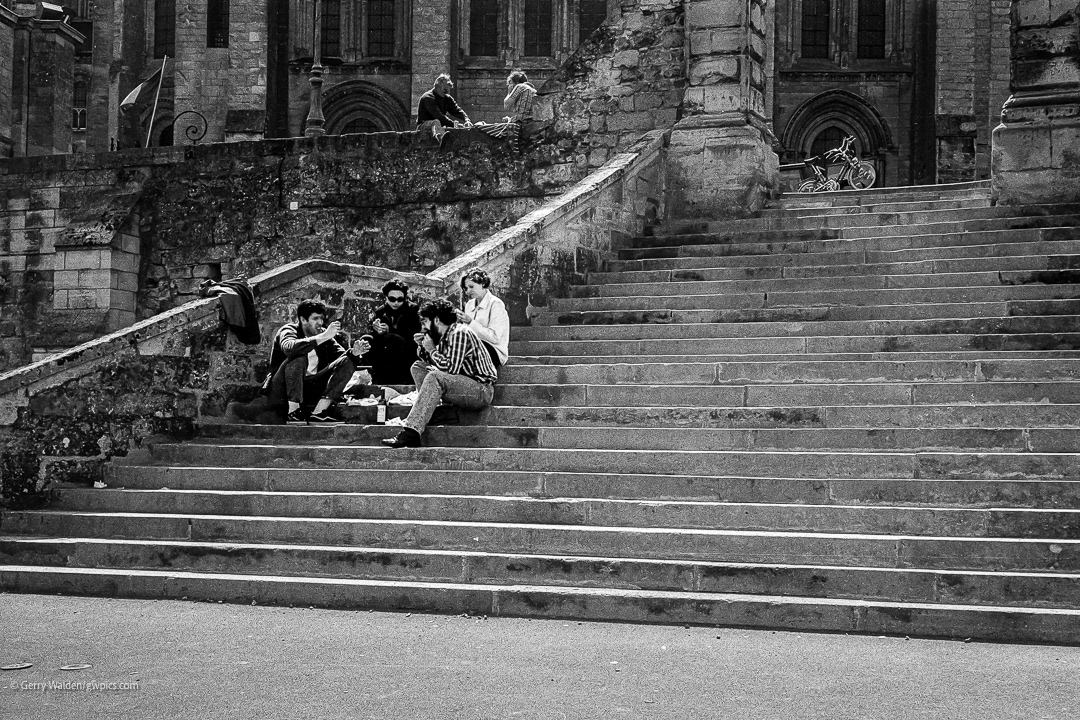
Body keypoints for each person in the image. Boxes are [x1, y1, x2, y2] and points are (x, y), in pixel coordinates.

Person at [382, 299, 498, 448]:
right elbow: (434, 363)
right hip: (460, 387)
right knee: (418, 367)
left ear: (436, 320)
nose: (423, 326)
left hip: (480, 391)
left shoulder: (459, 333)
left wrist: (431, 350)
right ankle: (438, 411)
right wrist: (423, 347)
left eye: (425, 322)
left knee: (434, 376)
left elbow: (450, 369)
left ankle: (411, 432)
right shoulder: (444, 337)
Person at [263, 299, 370, 425]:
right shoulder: (288, 330)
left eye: (322, 319)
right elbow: (289, 348)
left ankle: (319, 412)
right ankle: (293, 412)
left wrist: (354, 353)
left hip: (308, 388)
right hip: (281, 389)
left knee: (348, 360)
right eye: (315, 319)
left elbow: (341, 358)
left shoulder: (322, 334)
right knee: (299, 356)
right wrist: (323, 336)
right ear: (303, 320)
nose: (320, 323)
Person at [359, 280, 422, 385]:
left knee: (391, 338)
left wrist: (390, 331)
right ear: (386, 298)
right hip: (386, 350)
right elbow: (377, 339)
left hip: (407, 349)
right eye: (392, 299)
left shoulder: (412, 310)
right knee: (366, 340)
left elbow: (412, 334)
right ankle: (377, 374)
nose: (396, 303)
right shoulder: (380, 312)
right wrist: (377, 331)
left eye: (400, 299)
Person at [456, 268, 509, 368]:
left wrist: (471, 322)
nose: (468, 291)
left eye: (471, 286)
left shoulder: (495, 304)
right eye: (466, 288)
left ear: (483, 284)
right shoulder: (469, 305)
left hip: (494, 350)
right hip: (473, 348)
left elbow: (494, 337)